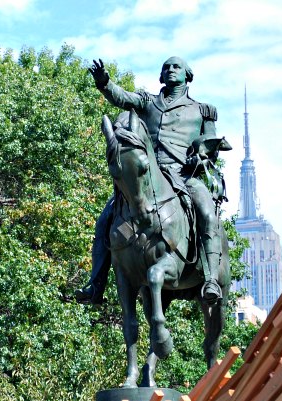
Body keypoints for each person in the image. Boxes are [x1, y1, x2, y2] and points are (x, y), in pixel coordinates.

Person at [76, 56, 229, 305]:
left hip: (183, 176)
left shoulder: (202, 110)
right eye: (166, 67)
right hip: (147, 177)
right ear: (161, 75)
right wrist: (104, 82)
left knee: (207, 214)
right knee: (105, 219)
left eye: (176, 67)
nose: (170, 70)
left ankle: (211, 278)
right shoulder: (148, 103)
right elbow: (122, 97)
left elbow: (209, 142)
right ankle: (96, 283)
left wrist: (201, 155)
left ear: (187, 75)